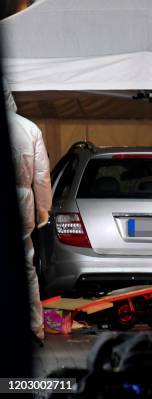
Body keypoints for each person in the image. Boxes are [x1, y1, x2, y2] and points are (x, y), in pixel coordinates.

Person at [4, 81, 52, 341]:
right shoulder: (29, 128)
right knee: (26, 267)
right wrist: (43, 210)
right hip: (22, 202)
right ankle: (34, 327)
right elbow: (42, 176)